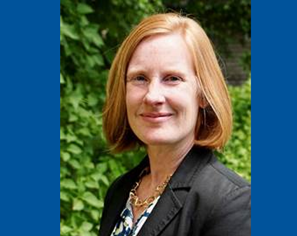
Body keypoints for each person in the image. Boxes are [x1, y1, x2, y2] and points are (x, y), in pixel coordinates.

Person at [99, 13, 250, 236]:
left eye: (172, 78)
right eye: (140, 78)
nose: (153, 96)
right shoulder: (120, 191)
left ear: (203, 94)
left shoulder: (231, 203)